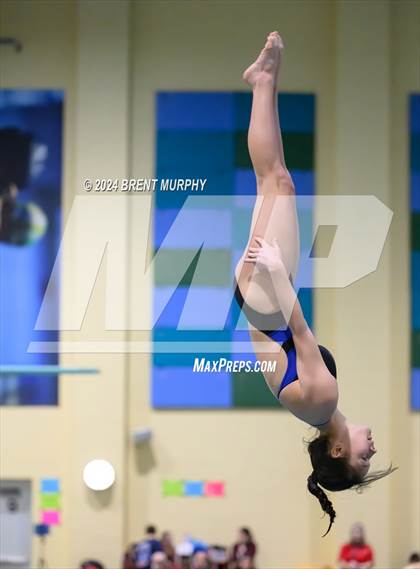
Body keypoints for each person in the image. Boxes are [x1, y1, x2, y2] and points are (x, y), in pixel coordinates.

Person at [234, 31, 396, 535]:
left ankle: (262, 81)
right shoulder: (315, 413)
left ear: (340, 450)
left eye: (363, 461)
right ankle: (264, 81)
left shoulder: (324, 402)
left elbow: (301, 333)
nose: (373, 452)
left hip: (269, 298)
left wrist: (279, 275)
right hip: (258, 303)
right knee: (275, 179)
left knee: (277, 180)